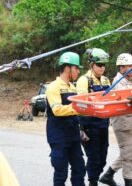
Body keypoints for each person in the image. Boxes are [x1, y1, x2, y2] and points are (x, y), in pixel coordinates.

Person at [46, 51, 86, 186]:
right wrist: (77, 108)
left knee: (80, 169)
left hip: (73, 135)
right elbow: (57, 110)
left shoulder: (73, 87)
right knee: (61, 172)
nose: (78, 72)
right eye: (76, 68)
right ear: (67, 68)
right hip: (58, 136)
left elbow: (80, 108)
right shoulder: (53, 87)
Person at [99, 53, 132, 186]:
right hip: (122, 122)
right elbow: (126, 99)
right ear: (121, 68)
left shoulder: (131, 80)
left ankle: (108, 175)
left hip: (130, 121)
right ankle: (128, 182)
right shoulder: (117, 82)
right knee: (130, 156)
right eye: (129, 66)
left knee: (127, 152)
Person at [76, 48, 111, 186]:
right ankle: (92, 181)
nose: (102, 68)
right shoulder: (84, 80)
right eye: (99, 65)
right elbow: (81, 103)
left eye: (104, 65)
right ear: (92, 64)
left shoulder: (106, 80)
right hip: (89, 125)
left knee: (103, 158)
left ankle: (94, 176)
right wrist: (81, 128)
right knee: (94, 157)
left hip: (103, 124)